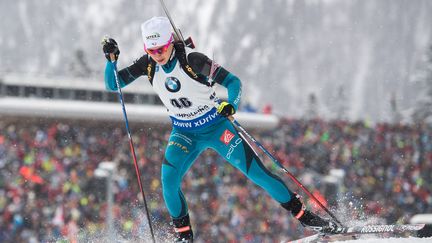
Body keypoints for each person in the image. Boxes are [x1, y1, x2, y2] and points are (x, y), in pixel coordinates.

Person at [101, 16, 336, 242]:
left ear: (170, 42)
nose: (157, 56)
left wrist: (231, 104)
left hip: (215, 127)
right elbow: (114, 85)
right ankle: (184, 237)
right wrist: (111, 60)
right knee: (168, 182)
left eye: (161, 49)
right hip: (184, 133)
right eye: (151, 51)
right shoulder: (149, 64)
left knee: (257, 174)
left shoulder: (193, 61)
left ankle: (308, 218)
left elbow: (234, 82)